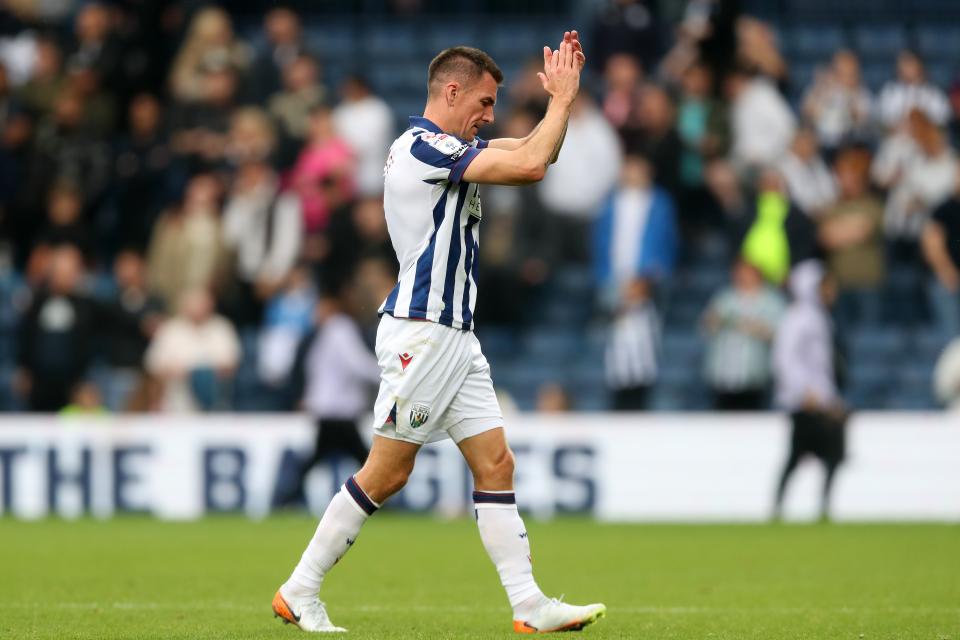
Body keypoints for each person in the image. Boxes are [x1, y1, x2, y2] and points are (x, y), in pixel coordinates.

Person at [271, 33, 606, 634]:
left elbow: (537, 150)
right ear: (450, 91)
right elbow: (530, 164)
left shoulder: (447, 147)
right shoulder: (421, 148)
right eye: (482, 102)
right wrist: (561, 101)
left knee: (495, 464)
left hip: (456, 336)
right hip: (423, 332)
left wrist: (561, 97)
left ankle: (528, 606)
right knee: (388, 471)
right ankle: (300, 588)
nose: (489, 115)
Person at [280, 287, 381, 506]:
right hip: (337, 410)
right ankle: (379, 498)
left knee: (322, 457)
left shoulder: (332, 330)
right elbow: (358, 364)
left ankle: (286, 496)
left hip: (330, 408)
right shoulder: (337, 329)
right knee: (363, 458)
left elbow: (319, 367)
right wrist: (388, 375)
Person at [772, 261, 847, 521]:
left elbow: (821, 365)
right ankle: (779, 505)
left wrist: (830, 396)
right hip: (805, 402)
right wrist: (804, 392)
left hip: (821, 400)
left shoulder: (819, 317)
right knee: (797, 456)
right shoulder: (798, 318)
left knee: (832, 456)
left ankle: (823, 506)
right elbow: (786, 358)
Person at [702, 259, 785, 410]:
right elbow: (707, 326)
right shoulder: (724, 297)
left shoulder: (773, 301)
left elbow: (781, 335)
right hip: (724, 376)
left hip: (754, 378)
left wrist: (755, 328)